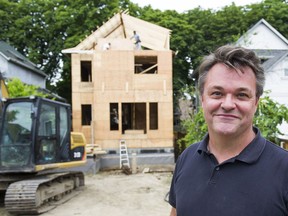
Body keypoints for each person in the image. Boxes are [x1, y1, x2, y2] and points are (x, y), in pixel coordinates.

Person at [169, 45, 288, 216]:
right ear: (203, 99)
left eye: (241, 95)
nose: (227, 104)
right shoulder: (186, 158)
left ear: (256, 103)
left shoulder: (284, 169)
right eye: (217, 93)